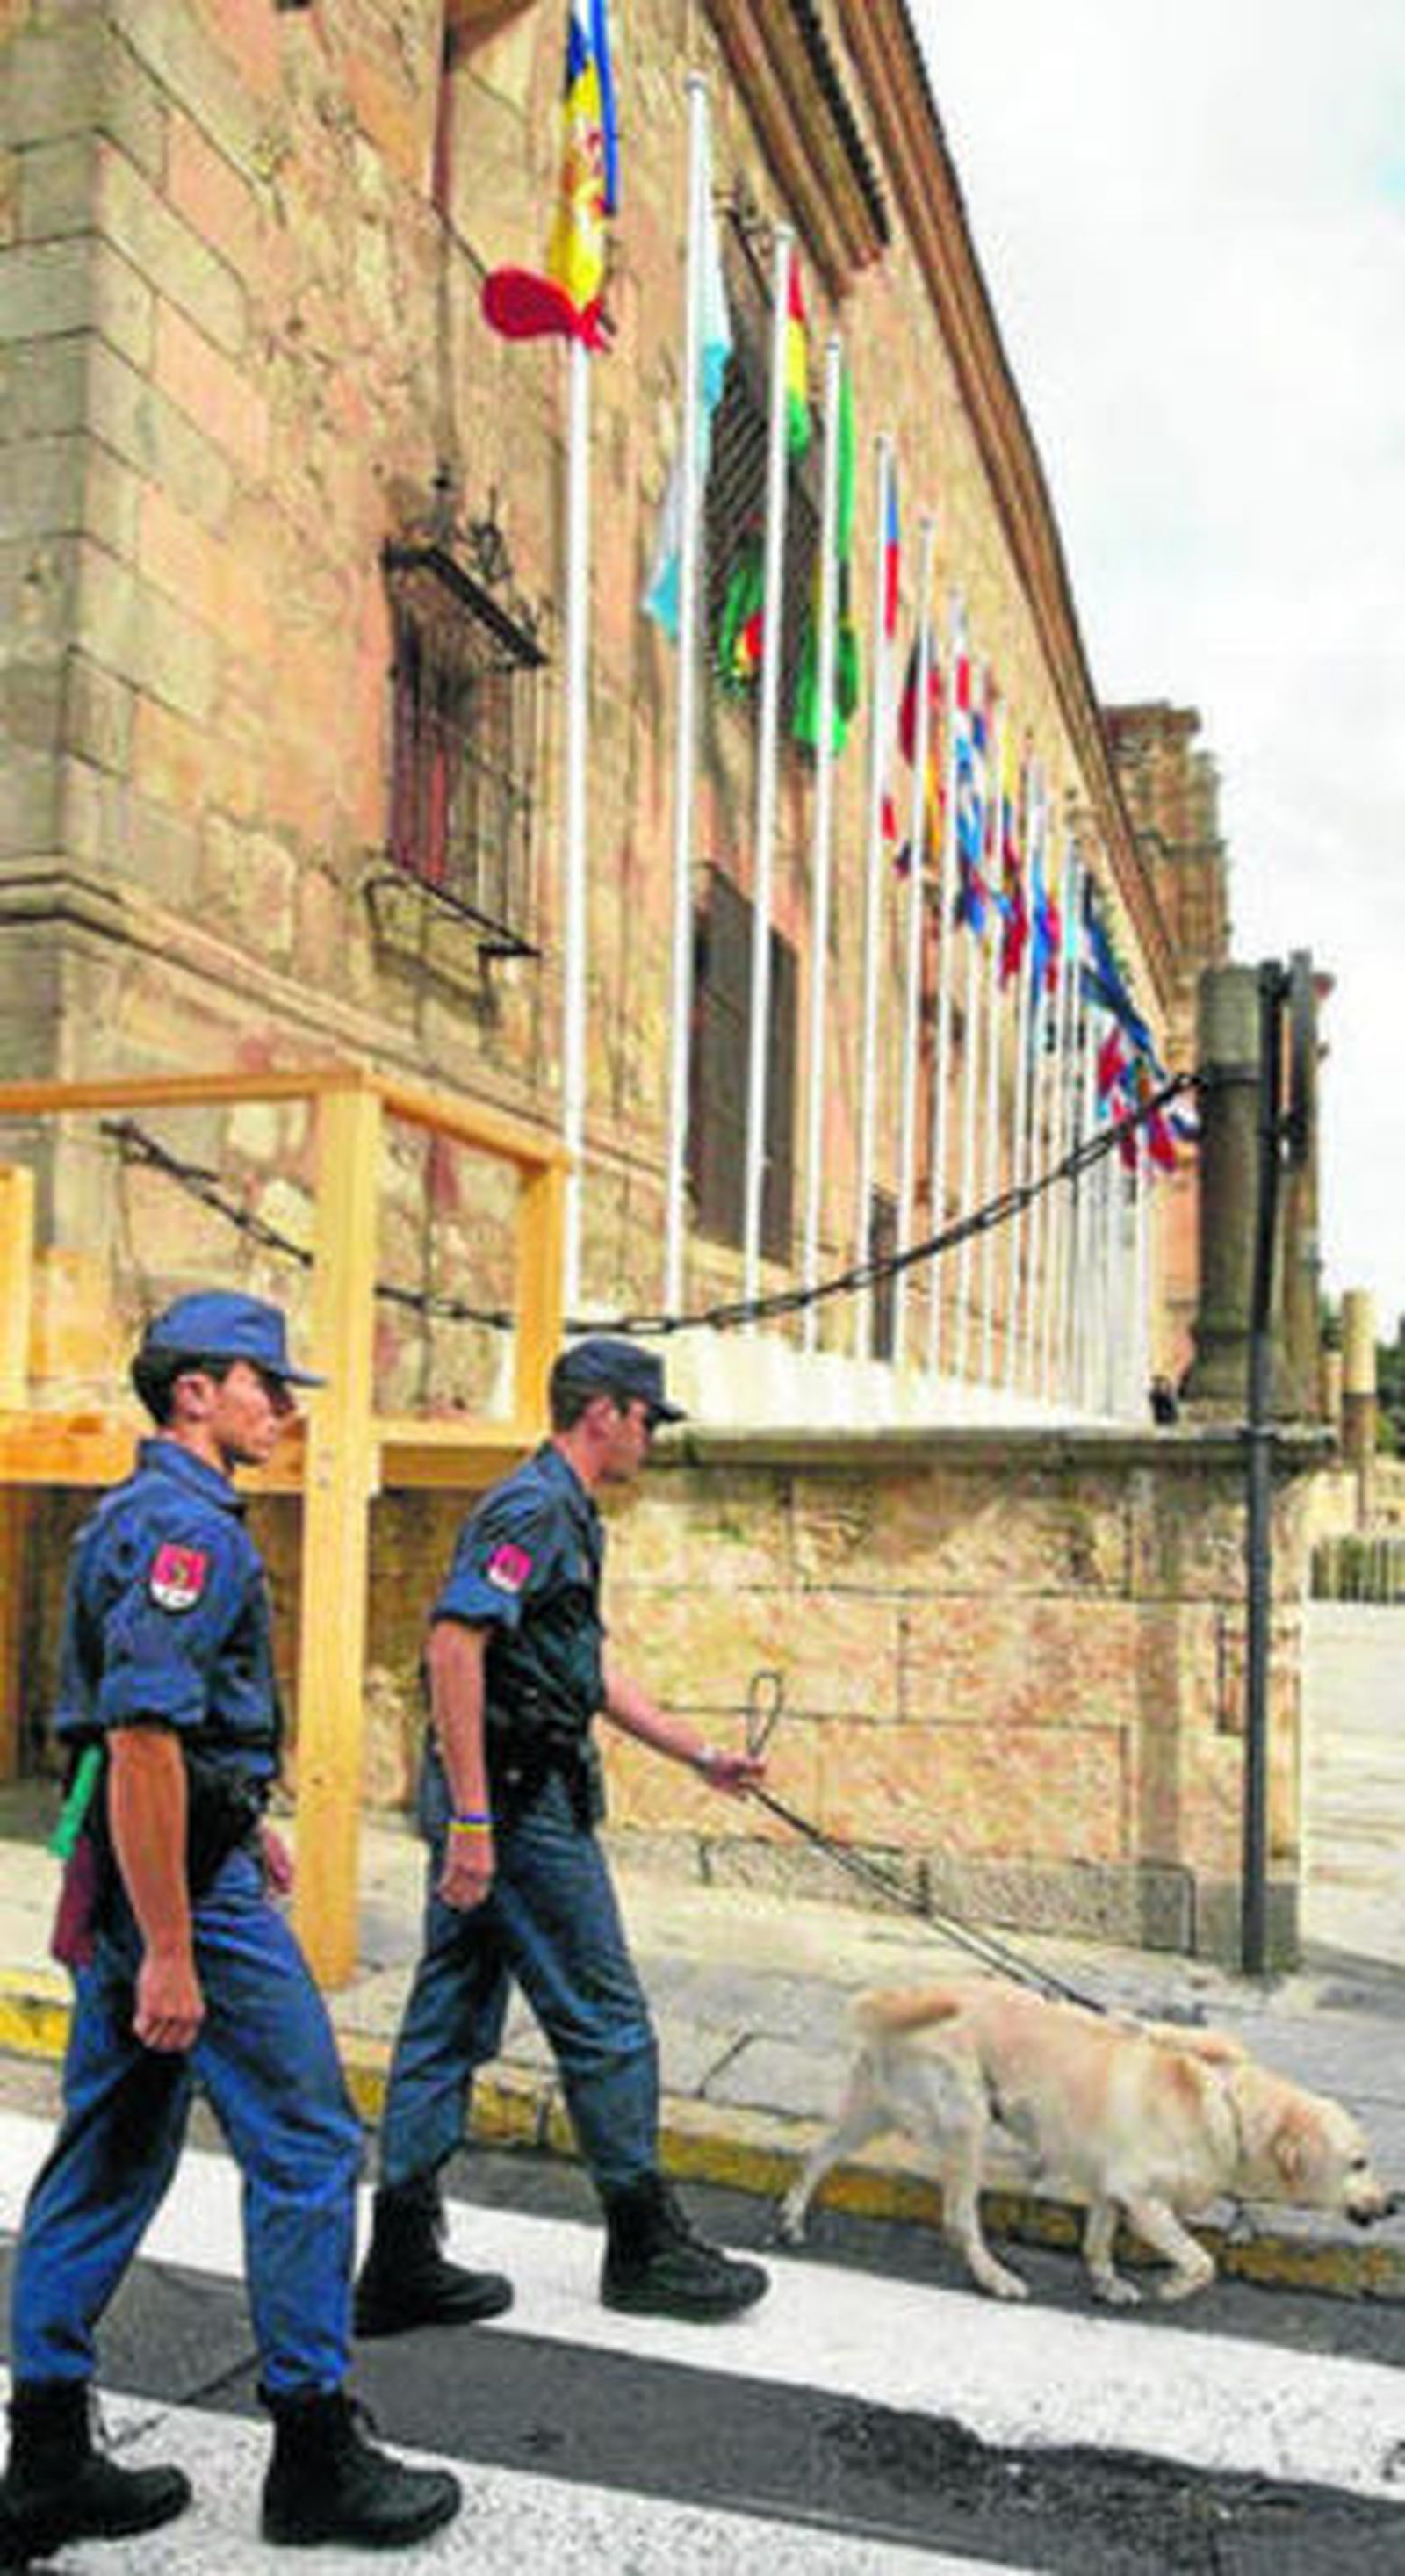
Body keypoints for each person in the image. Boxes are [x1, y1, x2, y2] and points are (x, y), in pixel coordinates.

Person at [0, 1292, 460, 2567]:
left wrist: (231, 1809)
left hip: (151, 1864)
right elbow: (142, 1737)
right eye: (266, 1382)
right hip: (179, 1896)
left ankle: (41, 2460)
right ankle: (313, 2454)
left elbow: (158, 1736)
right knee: (309, 2142)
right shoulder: (181, 1529)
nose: (286, 1406)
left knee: (110, 2152)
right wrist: (172, 1946)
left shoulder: (138, 1516)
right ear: (194, 1391)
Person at [355, 1335, 771, 2334]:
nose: (650, 1439)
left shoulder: (562, 1511)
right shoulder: (533, 1506)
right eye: (646, 1419)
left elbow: (582, 1667)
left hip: (502, 1794)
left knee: (449, 2015)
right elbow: (455, 1642)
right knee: (607, 2017)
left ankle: (401, 2253)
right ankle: (642, 2243)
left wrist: (697, 1752)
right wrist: (472, 1819)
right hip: (514, 1800)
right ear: (606, 1413)